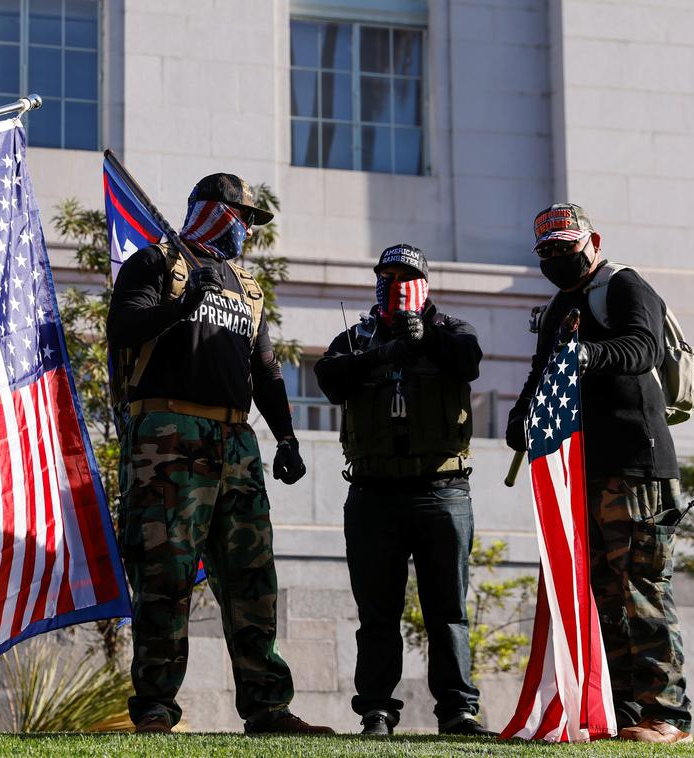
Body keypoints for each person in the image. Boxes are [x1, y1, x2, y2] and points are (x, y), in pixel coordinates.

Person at [106, 174, 331, 735]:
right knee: (166, 572)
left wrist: (286, 438)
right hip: (167, 434)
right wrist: (180, 306)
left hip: (236, 442)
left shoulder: (246, 288)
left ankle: (268, 708)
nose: (246, 231)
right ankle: (156, 705)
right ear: (213, 212)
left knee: (251, 576)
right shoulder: (155, 264)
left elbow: (266, 373)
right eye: (242, 218)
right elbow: (123, 325)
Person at [505, 204, 692, 744]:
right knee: (603, 596)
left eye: (567, 247)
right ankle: (623, 712)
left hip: (638, 468)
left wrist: (585, 356)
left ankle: (667, 716)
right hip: (584, 472)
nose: (559, 259)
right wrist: (523, 418)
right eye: (548, 253)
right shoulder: (558, 306)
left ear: (592, 241)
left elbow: (642, 348)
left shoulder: (626, 286)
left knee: (642, 589)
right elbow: (540, 374)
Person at [313, 244, 493, 737]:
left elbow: (468, 363)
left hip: (441, 491)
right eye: (386, 275)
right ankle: (376, 711)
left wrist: (426, 335)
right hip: (374, 495)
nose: (395, 284)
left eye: (406, 276)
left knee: (448, 611)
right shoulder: (356, 336)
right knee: (377, 614)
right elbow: (329, 377)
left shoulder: (453, 329)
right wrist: (383, 352)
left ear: (425, 283)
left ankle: (458, 712)